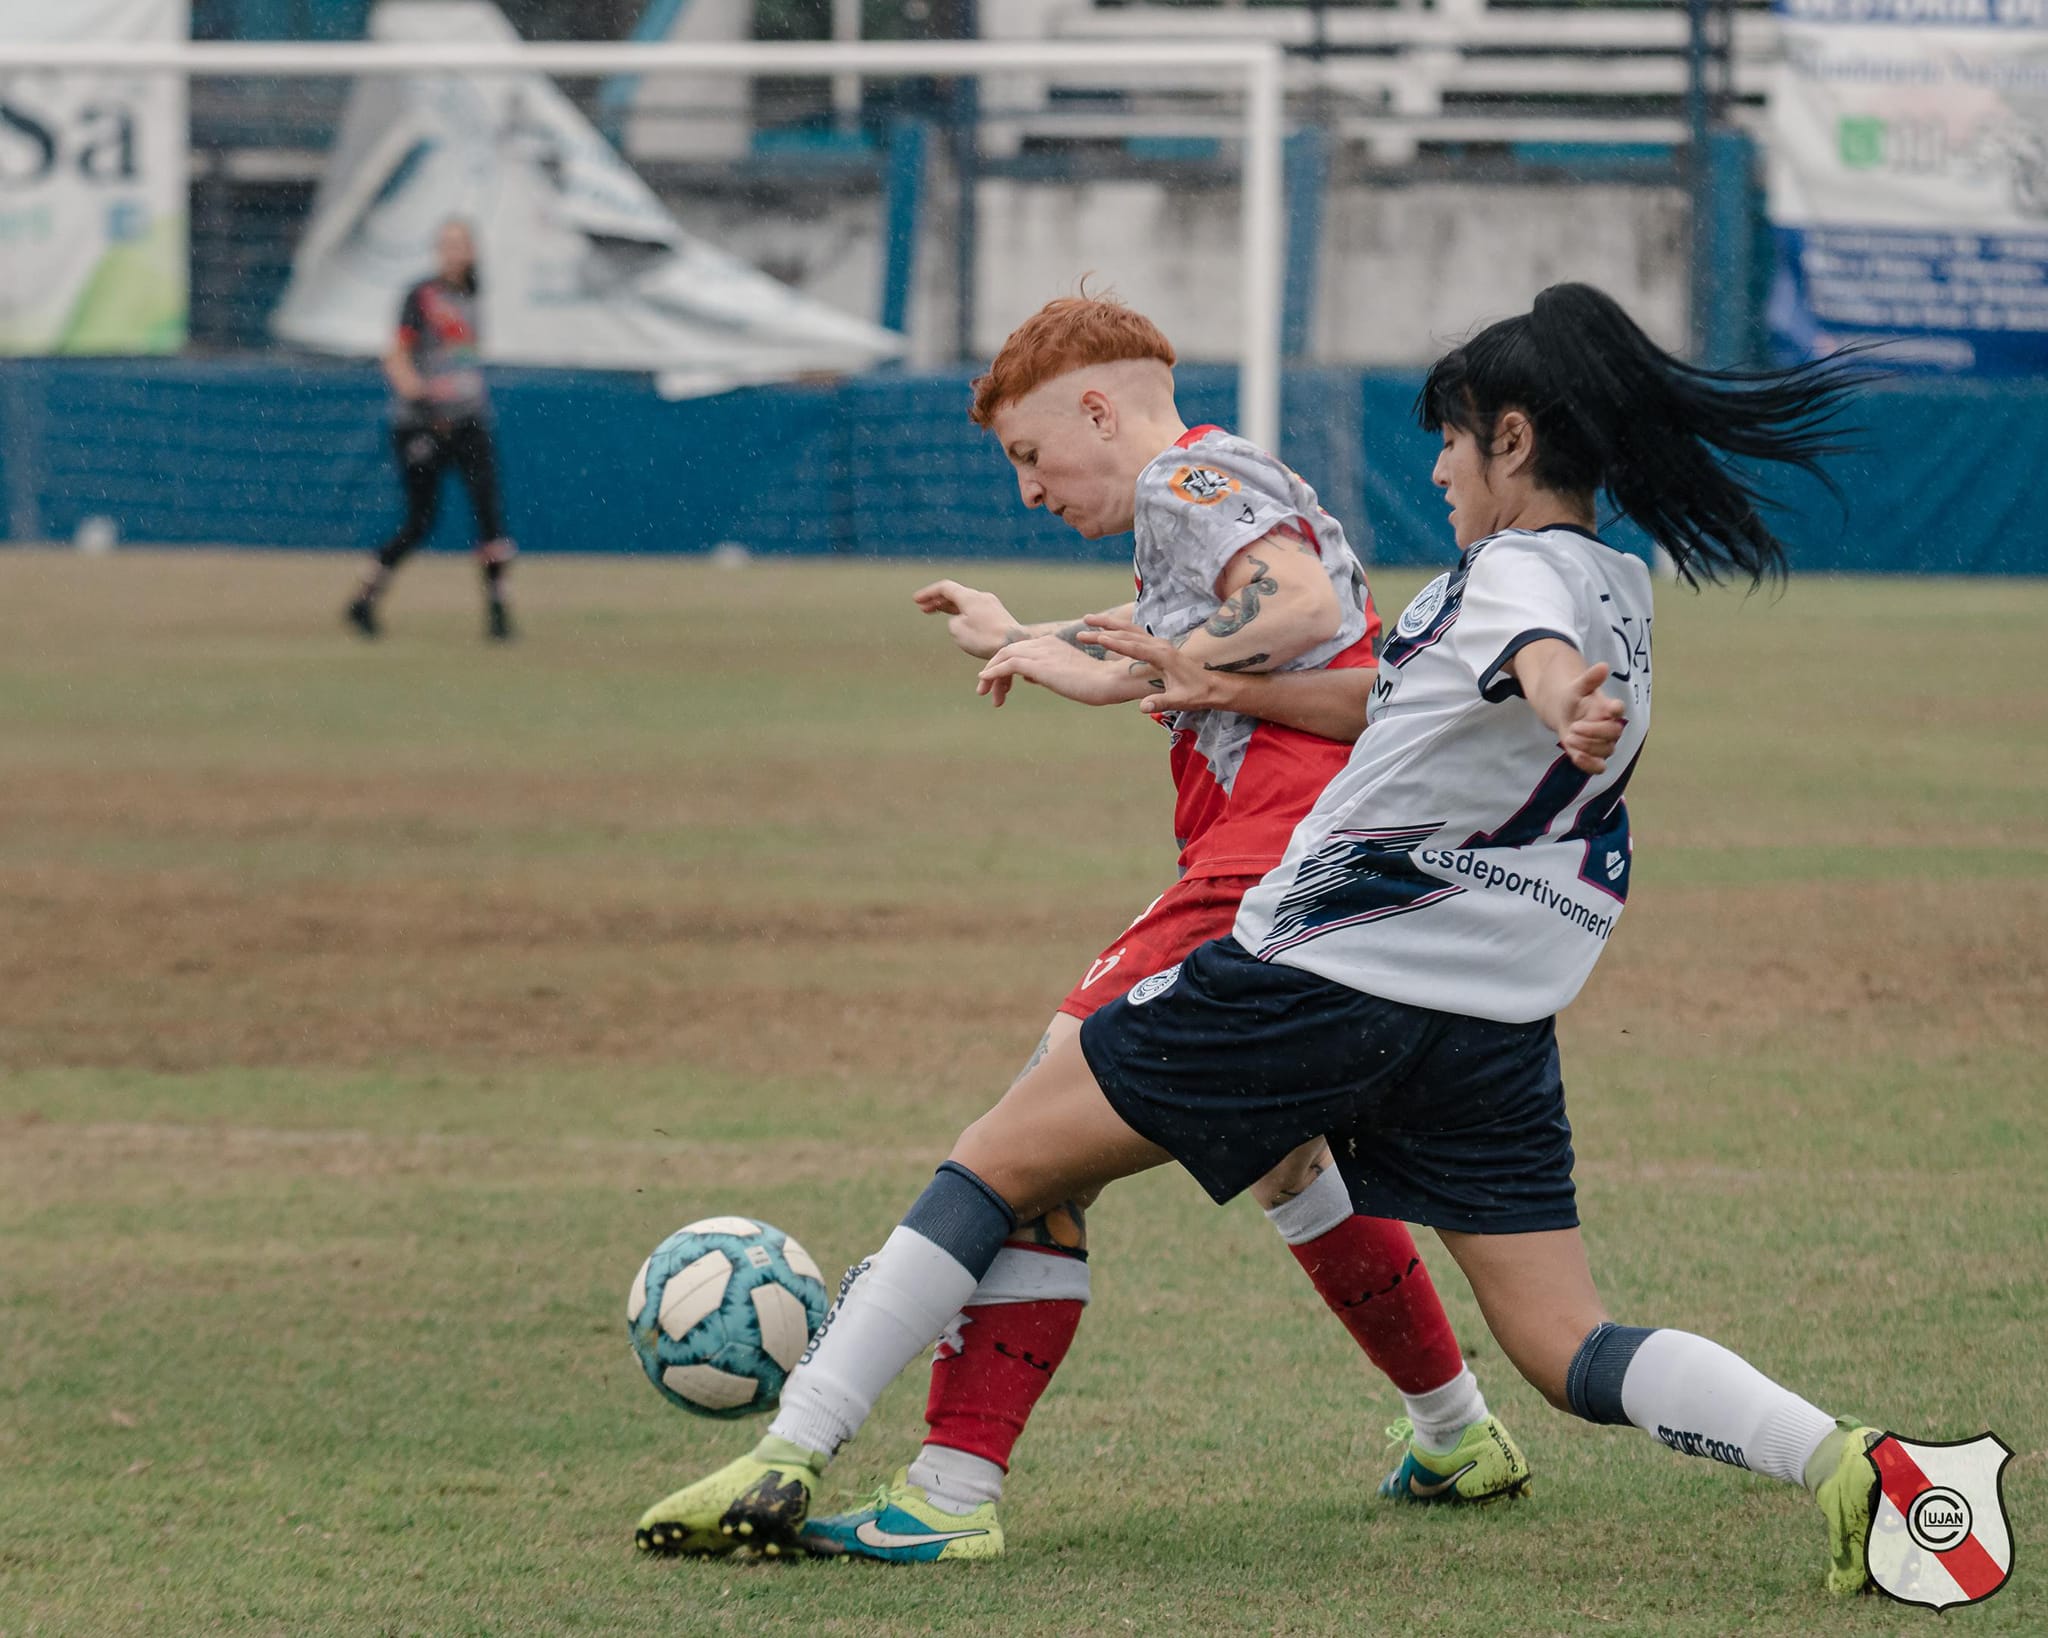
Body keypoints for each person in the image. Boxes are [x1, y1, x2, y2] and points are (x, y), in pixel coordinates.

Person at [635, 283, 1892, 1598]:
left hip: (1322, 956)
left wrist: (1551, 686)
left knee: (1007, 1155)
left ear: (1512, 442)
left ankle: (823, 1459)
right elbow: (1378, 683)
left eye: (1452, 439)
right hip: (1487, 1017)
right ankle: (1842, 1459)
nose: (1435, 464)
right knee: (1562, 1339)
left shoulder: (1426, 551)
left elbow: (1381, 619)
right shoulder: (1614, 584)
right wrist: (1134, 659)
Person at [796, 298, 1526, 1565]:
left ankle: (938, 1492)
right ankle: (1456, 1431)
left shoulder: (1186, 477)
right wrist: (1021, 638)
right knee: (1286, 1160)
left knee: (1028, 1144)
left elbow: (1288, 611)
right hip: (1319, 867)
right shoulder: (1214, 493)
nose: (1027, 491)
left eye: (1029, 455)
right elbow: (1157, 664)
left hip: (1260, 863)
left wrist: (1189, 654)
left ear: (1096, 408)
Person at [345, 219, 516, 642]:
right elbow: (397, 355)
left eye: (461, 244)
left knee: (489, 515)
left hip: (469, 417)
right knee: (421, 520)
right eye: (447, 244)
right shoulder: (422, 296)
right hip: (424, 422)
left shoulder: (474, 296)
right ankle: (365, 597)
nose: (454, 252)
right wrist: (420, 398)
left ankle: (498, 611)